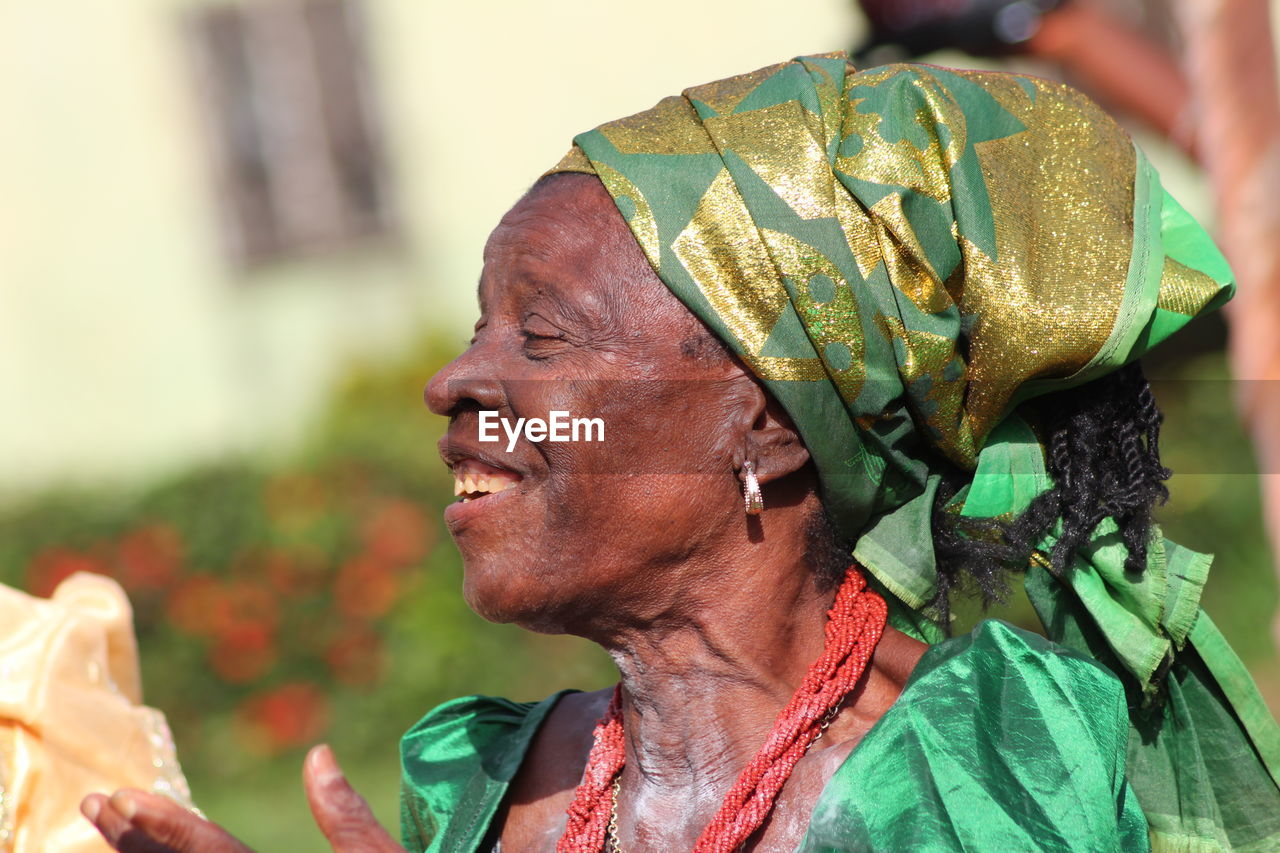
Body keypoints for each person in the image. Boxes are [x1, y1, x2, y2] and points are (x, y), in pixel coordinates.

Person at [82, 54, 1280, 852]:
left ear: (761, 425)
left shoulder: (984, 764)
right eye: (476, 327)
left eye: (542, 336)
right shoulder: (494, 790)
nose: (456, 382)